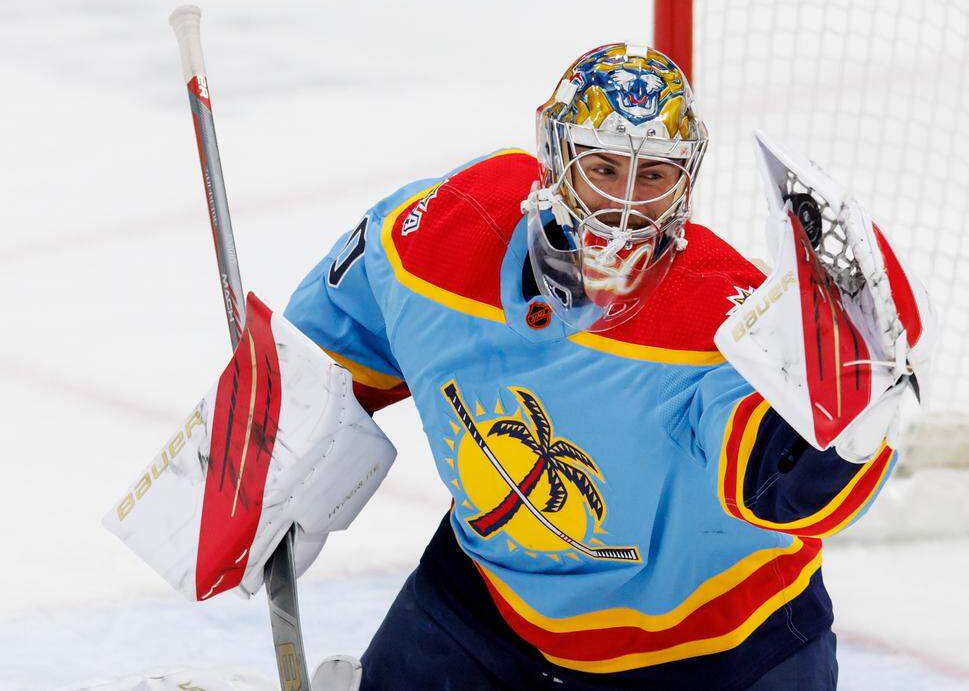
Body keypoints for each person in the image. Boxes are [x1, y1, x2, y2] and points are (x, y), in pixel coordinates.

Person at [284, 42, 934, 690]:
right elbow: (336, 336)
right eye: (604, 167)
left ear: (685, 182)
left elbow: (775, 481)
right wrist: (266, 447)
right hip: (491, 608)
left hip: (721, 644)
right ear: (556, 159)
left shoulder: (721, 315)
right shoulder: (449, 231)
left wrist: (845, 438)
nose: (625, 203)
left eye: (652, 174)